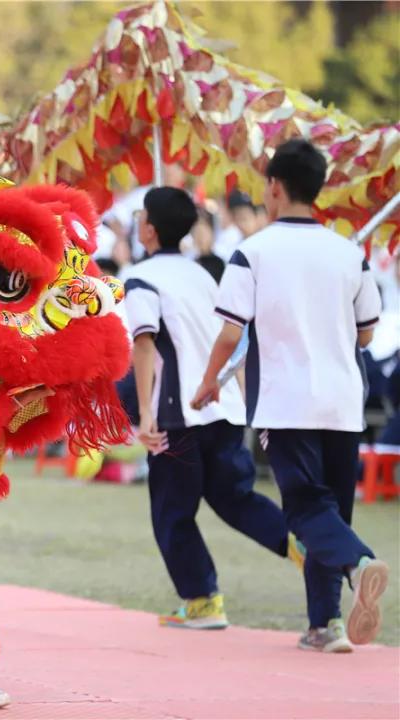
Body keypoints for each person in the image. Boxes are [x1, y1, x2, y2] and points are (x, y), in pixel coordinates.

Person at [192, 138, 389, 652]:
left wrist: (210, 379)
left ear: (274, 189)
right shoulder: (349, 252)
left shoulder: (251, 252)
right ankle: (326, 624)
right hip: (343, 401)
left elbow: (232, 332)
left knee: (304, 511)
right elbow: (367, 332)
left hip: (285, 402)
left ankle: (359, 563)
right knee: (330, 512)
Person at [125, 186, 299, 630]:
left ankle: (202, 600)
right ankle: (305, 544)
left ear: (147, 227)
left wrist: (144, 413)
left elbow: (144, 345)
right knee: (234, 497)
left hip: (176, 415)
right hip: (221, 407)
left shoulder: (141, 277)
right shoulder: (202, 274)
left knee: (171, 510)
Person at [192, 206, 226, 284]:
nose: (200, 238)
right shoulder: (191, 262)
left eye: (204, 233)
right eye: (197, 233)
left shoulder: (220, 263)